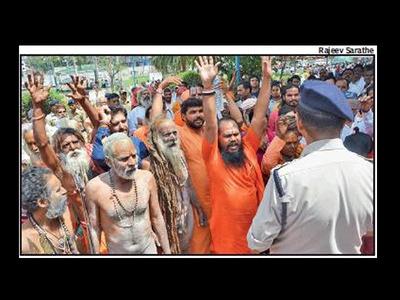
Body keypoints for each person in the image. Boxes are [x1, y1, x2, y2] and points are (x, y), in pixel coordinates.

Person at [247, 80, 373, 254]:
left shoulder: (284, 179)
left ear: (300, 124)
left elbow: (257, 242)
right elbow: (370, 229)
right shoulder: (369, 172)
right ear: (344, 122)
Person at [195, 56, 271, 254]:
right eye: (227, 136)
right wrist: (207, 85)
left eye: (236, 134)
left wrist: (267, 78)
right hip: (227, 240)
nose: (233, 139)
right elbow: (211, 123)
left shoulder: (248, 147)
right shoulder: (212, 155)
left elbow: (260, 113)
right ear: (218, 139)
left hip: (256, 233)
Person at [84, 133, 170, 254]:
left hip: (148, 250)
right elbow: (94, 228)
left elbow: (157, 217)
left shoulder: (147, 178)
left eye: (134, 156)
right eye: (124, 159)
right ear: (109, 162)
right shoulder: (95, 187)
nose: (132, 162)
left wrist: (168, 252)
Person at [21, 166, 80, 254]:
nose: (64, 191)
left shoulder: (65, 212)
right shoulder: (24, 241)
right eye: (58, 190)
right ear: (42, 202)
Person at [261, 107, 304, 180]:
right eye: (288, 143)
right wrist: (280, 137)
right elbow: (268, 165)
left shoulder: (301, 150)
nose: (293, 146)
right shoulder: (274, 155)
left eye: (295, 142)